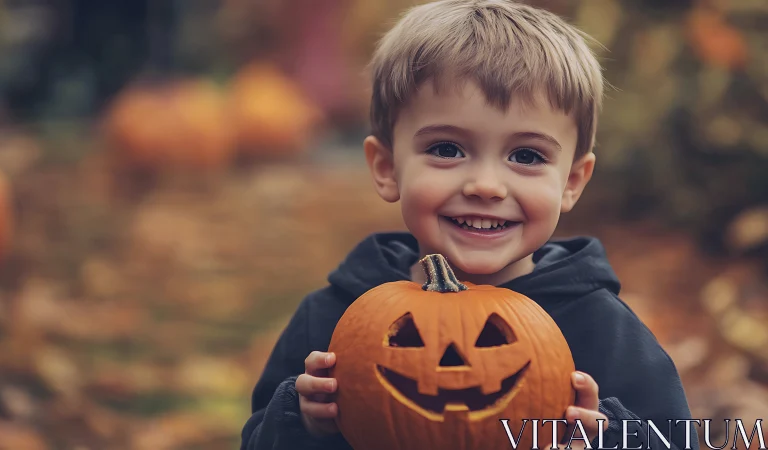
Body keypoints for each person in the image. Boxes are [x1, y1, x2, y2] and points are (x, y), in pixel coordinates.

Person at [240, 1, 700, 449]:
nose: (485, 185)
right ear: (386, 167)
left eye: (526, 156)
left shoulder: (603, 329)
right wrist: (301, 422)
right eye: (446, 149)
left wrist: (610, 437)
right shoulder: (330, 320)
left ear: (572, 183)